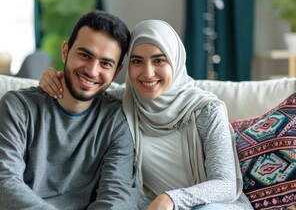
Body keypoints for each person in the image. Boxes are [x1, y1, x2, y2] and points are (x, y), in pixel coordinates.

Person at [39, 20, 254, 210]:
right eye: (137, 61)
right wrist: (53, 78)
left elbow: (225, 184)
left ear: (176, 61)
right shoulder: (121, 103)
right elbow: (83, 90)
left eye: (159, 60)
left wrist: (171, 199)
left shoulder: (206, 109)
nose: (147, 73)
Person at [0, 10, 148, 210]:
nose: (92, 70)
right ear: (65, 51)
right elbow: (4, 181)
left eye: (105, 63)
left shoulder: (117, 120)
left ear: (116, 72)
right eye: (84, 55)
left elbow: (116, 197)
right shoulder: (18, 107)